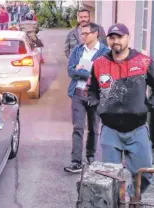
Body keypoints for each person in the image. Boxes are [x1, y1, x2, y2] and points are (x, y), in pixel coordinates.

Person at [88, 23, 154, 201]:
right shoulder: (99, 64)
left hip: (138, 129)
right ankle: (118, 203)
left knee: (146, 174)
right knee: (111, 178)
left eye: (119, 36)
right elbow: (92, 90)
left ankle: (132, 199)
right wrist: (98, 107)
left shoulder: (143, 61)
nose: (115, 40)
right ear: (108, 39)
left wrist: (148, 105)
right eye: (112, 37)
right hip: (110, 131)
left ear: (128, 37)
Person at [64, 23, 110, 173]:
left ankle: (91, 157)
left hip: (95, 95)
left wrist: (83, 70)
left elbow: (103, 74)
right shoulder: (78, 50)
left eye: (86, 34)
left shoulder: (105, 52)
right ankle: (76, 161)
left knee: (93, 128)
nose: (82, 36)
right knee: (77, 128)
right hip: (78, 92)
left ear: (95, 34)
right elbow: (70, 71)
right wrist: (88, 72)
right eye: (82, 33)